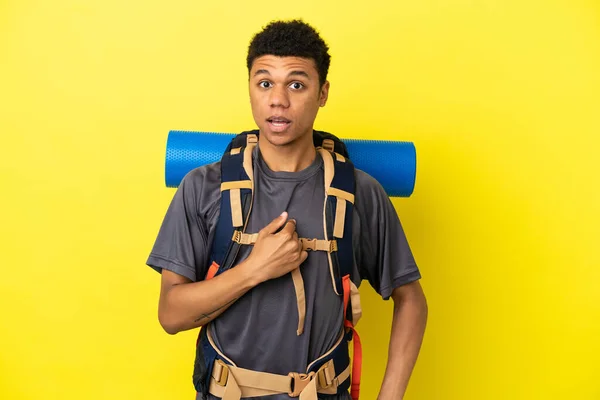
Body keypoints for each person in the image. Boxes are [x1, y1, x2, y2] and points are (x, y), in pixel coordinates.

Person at [146, 19, 428, 400]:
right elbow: (171, 315)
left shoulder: (361, 193)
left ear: (323, 92)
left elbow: (411, 299)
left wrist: (390, 396)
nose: (278, 99)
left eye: (297, 84)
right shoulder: (203, 187)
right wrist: (254, 269)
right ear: (249, 87)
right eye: (265, 83)